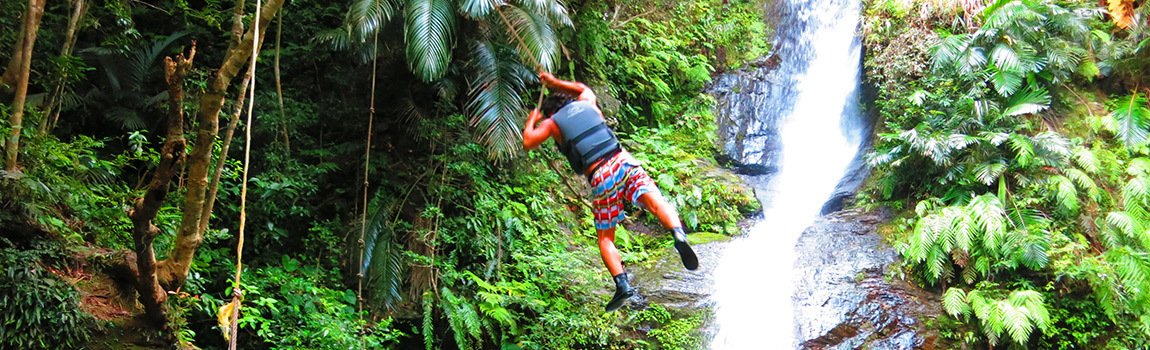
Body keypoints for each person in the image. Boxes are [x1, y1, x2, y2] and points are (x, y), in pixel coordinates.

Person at [522, 72, 698, 312]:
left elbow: (528, 142)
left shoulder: (552, 123)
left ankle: (622, 284)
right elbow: (581, 86)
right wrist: (554, 83)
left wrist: (532, 120)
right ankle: (678, 233)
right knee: (656, 201)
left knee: (606, 237)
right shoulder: (587, 101)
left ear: (551, 112)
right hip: (624, 161)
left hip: (601, 176)